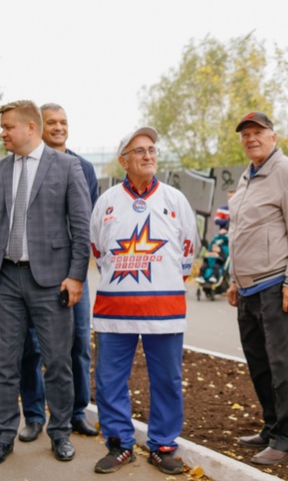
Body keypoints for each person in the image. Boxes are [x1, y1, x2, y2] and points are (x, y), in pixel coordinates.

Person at [0, 100, 91, 466]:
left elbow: (81, 230)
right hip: (5, 280)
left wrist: (76, 277)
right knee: (4, 364)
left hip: (51, 282)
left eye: (7, 126)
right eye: (2, 127)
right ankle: (3, 436)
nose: (2, 132)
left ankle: (60, 432)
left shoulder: (68, 167)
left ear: (30, 128)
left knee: (58, 362)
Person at [90, 126, 198, 475]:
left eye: (152, 149)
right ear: (124, 160)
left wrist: (162, 282)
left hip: (164, 311)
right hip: (113, 312)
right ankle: (120, 444)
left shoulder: (175, 199)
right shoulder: (106, 201)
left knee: (166, 379)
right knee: (108, 380)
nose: (148, 155)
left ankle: (163, 446)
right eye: (139, 151)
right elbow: (97, 250)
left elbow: (187, 250)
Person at [226, 112, 288, 465]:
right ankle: (271, 426)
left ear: (273, 136)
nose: (251, 138)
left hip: (277, 285)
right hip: (248, 289)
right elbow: (240, 233)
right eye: (245, 134)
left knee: (282, 365)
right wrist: (234, 278)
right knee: (259, 364)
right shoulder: (248, 176)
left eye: (258, 132)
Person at [17, 103, 101, 443]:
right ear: (37, 127)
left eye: (63, 122)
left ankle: (76, 411)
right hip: (35, 275)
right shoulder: (23, 167)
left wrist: (77, 271)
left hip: (73, 274)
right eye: (51, 122)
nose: (58, 127)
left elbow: (88, 222)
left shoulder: (83, 167)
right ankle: (35, 416)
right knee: (32, 347)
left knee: (79, 344)